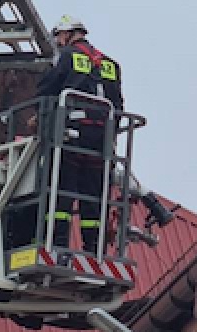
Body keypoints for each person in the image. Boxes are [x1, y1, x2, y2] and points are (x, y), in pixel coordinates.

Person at [22, 15, 123, 247]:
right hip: (101, 141)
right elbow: (118, 105)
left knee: (61, 192)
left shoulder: (67, 57)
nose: (58, 42)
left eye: (59, 37)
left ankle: (56, 244)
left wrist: (39, 116)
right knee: (93, 198)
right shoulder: (110, 64)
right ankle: (94, 248)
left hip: (71, 136)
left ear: (67, 34)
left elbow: (47, 89)